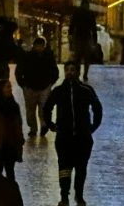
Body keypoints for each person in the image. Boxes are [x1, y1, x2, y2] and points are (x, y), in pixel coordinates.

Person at [41, 59, 102, 206]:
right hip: (64, 138)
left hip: (83, 138)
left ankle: (79, 195)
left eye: (73, 70)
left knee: (81, 168)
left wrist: (92, 127)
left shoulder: (86, 90)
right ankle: (64, 196)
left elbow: (97, 108)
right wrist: (51, 125)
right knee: (64, 168)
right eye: (67, 70)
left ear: (77, 72)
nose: (70, 72)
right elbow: (47, 108)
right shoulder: (58, 91)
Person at [14, 37, 59, 139]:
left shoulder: (48, 57)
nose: (39, 48)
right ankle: (34, 128)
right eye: (38, 46)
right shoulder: (28, 57)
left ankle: (43, 126)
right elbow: (19, 71)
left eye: (41, 46)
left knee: (42, 108)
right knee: (31, 110)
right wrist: (23, 85)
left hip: (42, 87)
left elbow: (54, 71)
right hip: (31, 87)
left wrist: (50, 83)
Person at [67, 0, 98, 83]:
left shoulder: (77, 12)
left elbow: (72, 24)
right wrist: (95, 40)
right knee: (87, 58)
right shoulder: (90, 14)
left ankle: (77, 73)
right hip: (87, 37)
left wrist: (70, 33)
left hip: (78, 36)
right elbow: (94, 28)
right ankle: (85, 74)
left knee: (78, 57)